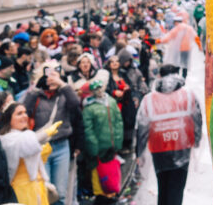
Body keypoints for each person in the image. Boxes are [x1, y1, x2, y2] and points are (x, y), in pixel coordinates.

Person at [135, 64, 202, 205]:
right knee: (176, 189)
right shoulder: (188, 95)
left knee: (163, 187)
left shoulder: (149, 99)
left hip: (159, 149)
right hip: (182, 147)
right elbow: (197, 118)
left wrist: (139, 153)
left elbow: (141, 127)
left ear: (159, 76)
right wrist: (196, 140)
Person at [22, 62, 83, 205]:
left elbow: (75, 104)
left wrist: (62, 84)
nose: (52, 79)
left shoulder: (64, 94)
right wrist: (37, 88)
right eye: (49, 76)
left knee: (60, 193)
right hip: (40, 146)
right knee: (45, 190)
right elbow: (25, 110)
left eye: (56, 75)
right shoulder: (35, 94)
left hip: (61, 146)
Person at [0, 102, 58, 205]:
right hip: (21, 188)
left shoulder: (28, 135)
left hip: (38, 186)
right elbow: (26, 144)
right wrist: (45, 133)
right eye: (19, 113)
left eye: (25, 112)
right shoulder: (6, 139)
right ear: (8, 118)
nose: (24, 116)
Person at [81, 79, 123, 204]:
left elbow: (118, 122)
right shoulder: (89, 108)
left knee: (111, 171)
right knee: (97, 173)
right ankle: (100, 196)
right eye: (96, 89)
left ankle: (111, 193)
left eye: (100, 88)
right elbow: (88, 130)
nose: (99, 91)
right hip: (98, 149)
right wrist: (93, 147)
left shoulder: (111, 102)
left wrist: (118, 141)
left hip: (111, 147)